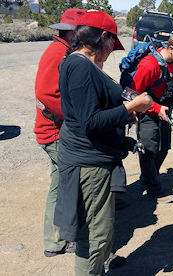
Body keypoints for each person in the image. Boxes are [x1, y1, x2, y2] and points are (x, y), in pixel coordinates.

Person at [54, 10, 152, 275]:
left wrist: (123, 112)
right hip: (89, 163)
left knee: (98, 232)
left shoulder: (79, 64)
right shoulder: (80, 66)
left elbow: (91, 111)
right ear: (103, 38)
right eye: (112, 44)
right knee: (96, 235)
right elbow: (90, 122)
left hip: (92, 158)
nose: (112, 51)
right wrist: (133, 105)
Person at [33, 8, 86, 257]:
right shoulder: (57, 53)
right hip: (54, 132)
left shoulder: (64, 51)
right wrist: (75, 116)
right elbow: (46, 94)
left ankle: (55, 240)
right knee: (64, 185)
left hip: (57, 129)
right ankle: (58, 240)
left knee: (60, 184)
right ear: (73, 32)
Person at [129, 33, 173, 197]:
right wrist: (155, 108)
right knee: (149, 151)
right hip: (148, 112)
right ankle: (153, 187)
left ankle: (148, 178)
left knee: (163, 149)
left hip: (165, 112)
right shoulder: (150, 65)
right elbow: (131, 94)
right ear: (171, 49)